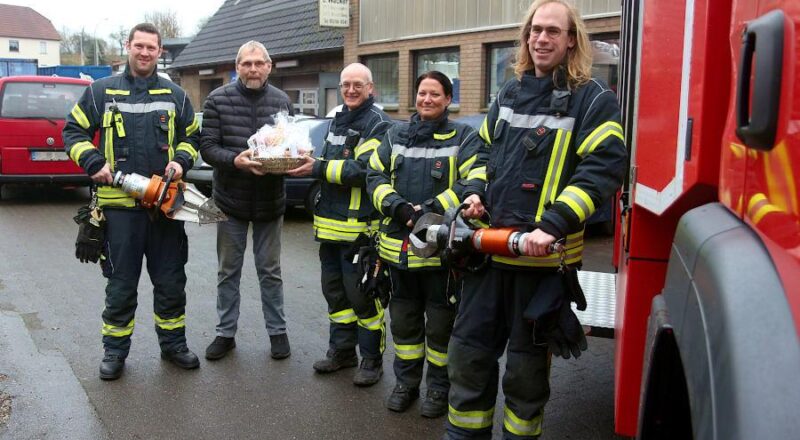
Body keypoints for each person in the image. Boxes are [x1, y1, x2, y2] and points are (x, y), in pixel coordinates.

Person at [444, 1, 627, 438]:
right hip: (489, 257)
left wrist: (553, 224)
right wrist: (473, 195)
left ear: (570, 40)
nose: (541, 38)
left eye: (552, 31)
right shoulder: (509, 92)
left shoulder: (594, 100)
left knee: (526, 380)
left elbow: (603, 167)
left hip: (541, 266)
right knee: (467, 361)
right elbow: (483, 154)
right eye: (535, 30)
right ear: (526, 38)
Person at [63, 23, 201, 380]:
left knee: (171, 282)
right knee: (121, 285)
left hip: (164, 210)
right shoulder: (100, 92)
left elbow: (192, 136)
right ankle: (114, 352)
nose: (144, 53)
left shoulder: (176, 94)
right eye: (138, 46)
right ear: (128, 47)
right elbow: (72, 131)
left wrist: (181, 160)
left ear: (160, 52)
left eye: (151, 48)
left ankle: (173, 346)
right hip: (119, 211)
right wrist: (93, 162)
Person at [366, 71, 488, 418]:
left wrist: (432, 209)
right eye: (422, 93)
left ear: (448, 99)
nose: (427, 100)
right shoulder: (395, 134)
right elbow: (373, 175)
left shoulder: (463, 137)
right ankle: (405, 384)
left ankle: (437, 389)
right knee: (404, 327)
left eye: (435, 94)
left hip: (440, 258)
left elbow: (473, 181)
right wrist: (398, 207)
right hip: (399, 256)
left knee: (440, 329)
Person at [287, 63, 393, 385]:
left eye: (357, 85)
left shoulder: (378, 124)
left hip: (359, 232)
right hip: (330, 229)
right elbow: (329, 160)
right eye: (346, 84)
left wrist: (317, 167)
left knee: (363, 298)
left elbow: (362, 171)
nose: (350, 90)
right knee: (335, 295)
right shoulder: (338, 120)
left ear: (370, 88)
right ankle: (342, 352)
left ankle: (371, 361)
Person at [200, 41, 293, 361]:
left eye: (259, 63)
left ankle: (277, 332)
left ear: (270, 66)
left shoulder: (282, 101)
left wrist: (291, 159)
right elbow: (208, 148)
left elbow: (287, 144)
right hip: (230, 202)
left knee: (271, 270)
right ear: (236, 67)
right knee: (228, 271)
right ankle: (225, 334)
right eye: (246, 63)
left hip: (270, 201)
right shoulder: (217, 99)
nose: (253, 69)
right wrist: (235, 161)